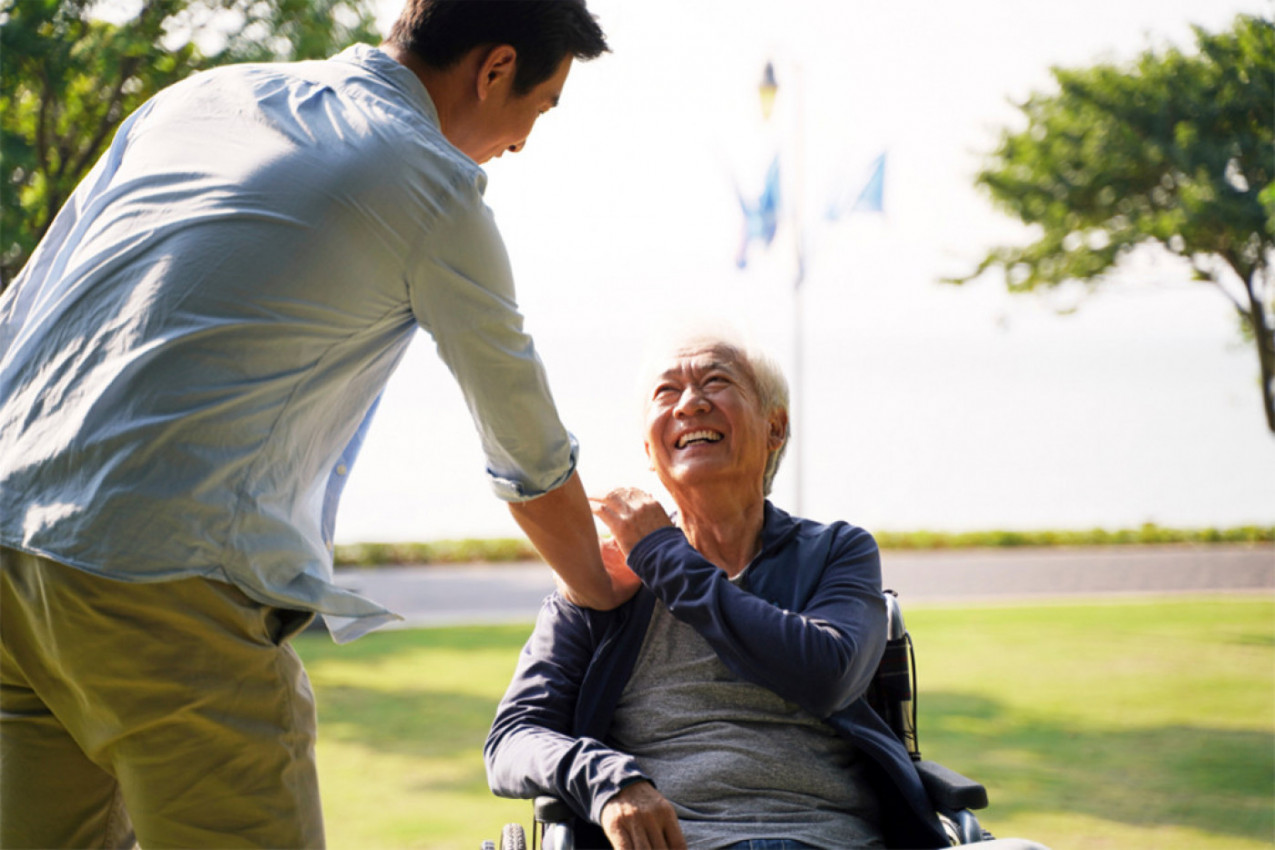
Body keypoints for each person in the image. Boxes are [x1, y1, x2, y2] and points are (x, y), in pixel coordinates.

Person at [0, 2, 633, 847]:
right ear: (493, 69)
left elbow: (20, 312)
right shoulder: (431, 187)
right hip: (163, 575)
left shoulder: (198, 97)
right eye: (538, 107)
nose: (521, 142)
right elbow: (526, 449)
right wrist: (600, 586)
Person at [485, 327, 1050, 850]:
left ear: (774, 427)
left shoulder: (836, 552)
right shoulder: (603, 579)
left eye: (716, 382)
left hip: (831, 838)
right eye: (667, 392)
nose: (689, 403)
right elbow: (511, 739)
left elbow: (826, 674)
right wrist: (607, 779)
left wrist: (663, 555)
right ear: (650, 448)